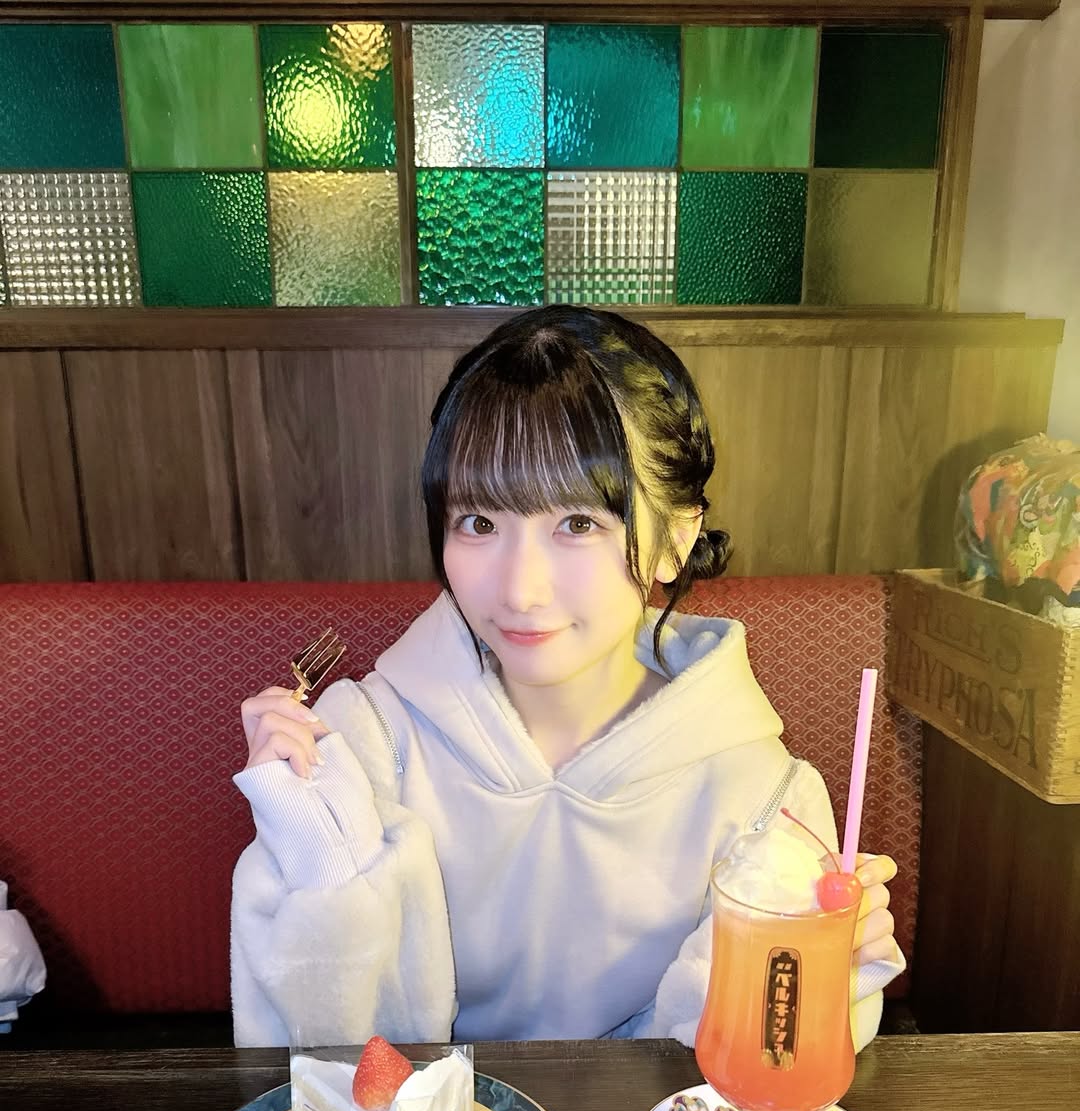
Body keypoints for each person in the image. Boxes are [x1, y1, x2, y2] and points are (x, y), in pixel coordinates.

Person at [231, 305, 903, 1049]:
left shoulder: (761, 796)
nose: (520, 590)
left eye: (578, 524)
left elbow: (753, 1068)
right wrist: (310, 836)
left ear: (676, 540)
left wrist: (821, 971)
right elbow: (319, 1053)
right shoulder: (365, 746)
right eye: (479, 523)